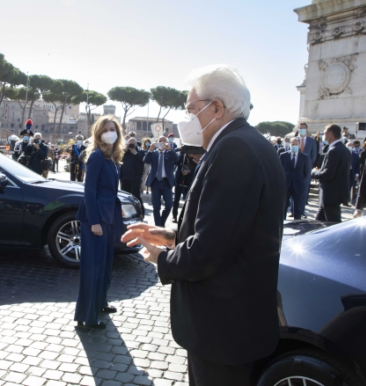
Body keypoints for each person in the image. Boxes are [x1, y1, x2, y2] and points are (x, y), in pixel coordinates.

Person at [122, 64, 286, 386]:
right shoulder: (247, 142)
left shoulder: (234, 149)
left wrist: (161, 257)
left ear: (217, 108)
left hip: (223, 329)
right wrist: (169, 236)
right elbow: (228, 228)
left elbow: (211, 248)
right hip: (233, 325)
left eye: (190, 109)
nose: (186, 119)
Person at [74, 115, 124, 329]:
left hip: (109, 217)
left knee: (105, 264)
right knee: (93, 267)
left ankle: (100, 304)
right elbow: (89, 190)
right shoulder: (95, 156)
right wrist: (94, 221)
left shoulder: (111, 157)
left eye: (113, 129)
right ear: (98, 133)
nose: (110, 132)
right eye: (105, 129)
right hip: (96, 219)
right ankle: (87, 317)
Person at [311, 124, 351, 222]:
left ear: (330, 134)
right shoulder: (344, 149)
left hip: (331, 195)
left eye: (324, 133)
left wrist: (314, 172)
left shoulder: (334, 150)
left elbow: (328, 174)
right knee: (318, 224)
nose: (323, 136)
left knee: (334, 225)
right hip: (333, 195)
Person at [144, 136, 179, 227]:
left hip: (166, 182)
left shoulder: (169, 153)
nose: (162, 143)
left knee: (168, 205)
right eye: (160, 141)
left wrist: (170, 149)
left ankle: (162, 222)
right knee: (156, 206)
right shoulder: (153, 153)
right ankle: (158, 226)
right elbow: (145, 160)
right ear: (156, 142)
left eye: (164, 141)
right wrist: (150, 150)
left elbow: (177, 160)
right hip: (155, 182)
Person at [172, 145, 205, 223]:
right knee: (176, 199)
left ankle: (185, 217)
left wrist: (189, 171)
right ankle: (174, 216)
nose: (191, 155)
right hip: (180, 178)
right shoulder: (181, 155)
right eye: (189, 153)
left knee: (188, 199)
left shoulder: (197, 157)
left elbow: (198, 169)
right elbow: (175, 160)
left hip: (190, 180)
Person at [280, 137, 309, 220]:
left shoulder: (304, 157)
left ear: (299, 145)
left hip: (298, 186)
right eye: (293, 144)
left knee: (298, 209)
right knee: (283, 208)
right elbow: (280, 170)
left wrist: (302, 182)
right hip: (286, 185)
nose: (294, 146)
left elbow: (306, 172)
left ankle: (298, 225)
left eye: (296, 144)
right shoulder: (283, 156)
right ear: (290, 145)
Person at [120, 137, 145, 215]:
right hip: (124, 178)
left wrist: (135, 153)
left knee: (136, 196)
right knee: (125, 197)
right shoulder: (125, 152)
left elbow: (144, 160)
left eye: (132, 144)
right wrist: (125, 149)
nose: (131, 145)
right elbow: (119, 158)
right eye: (129, 143)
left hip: (135, 178)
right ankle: (127, 213)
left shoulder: (140, 152)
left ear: (136, 144)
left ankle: (141, 212)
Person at [297, 122, 318, 210]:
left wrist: (309, 164)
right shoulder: (295, 140)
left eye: (304, 128)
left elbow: (314, 155)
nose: (302, 129)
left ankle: (301, 210)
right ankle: (293, 210)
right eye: (300, 128)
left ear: (307, 129)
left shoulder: (311, 140)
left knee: (304, 189)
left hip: (307, 168)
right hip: (295, 167)